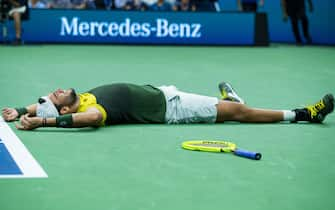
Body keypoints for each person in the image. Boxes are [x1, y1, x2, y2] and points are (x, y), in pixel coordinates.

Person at [1, 82, 334, 130]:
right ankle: (304, 114)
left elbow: (41, 106)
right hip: (175, 108)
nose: (55, 92)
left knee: (229, 107)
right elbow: (90, 120)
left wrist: (21, 109)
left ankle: (229, 102)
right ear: (63, 111)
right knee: (241, 114)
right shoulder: (94, 110)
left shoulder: (79, 98)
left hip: (166, 93)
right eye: (55, 97)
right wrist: (42, 123)